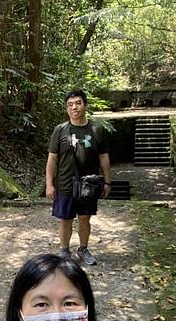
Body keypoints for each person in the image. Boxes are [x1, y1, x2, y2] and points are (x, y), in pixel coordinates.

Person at [45, 89, 112, 265]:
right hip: (65, 183)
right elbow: (52, 158)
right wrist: (49, 184)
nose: (74, 107)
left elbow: (103, 157)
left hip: (88, 184)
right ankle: (64, 252)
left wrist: (107, 181)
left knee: (84, 218)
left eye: (78, 103)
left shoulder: (97, 130)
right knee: (65, 219)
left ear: (85, 105)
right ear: (67, 109)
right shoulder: (60, 130)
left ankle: (83, 249)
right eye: (70, 104)